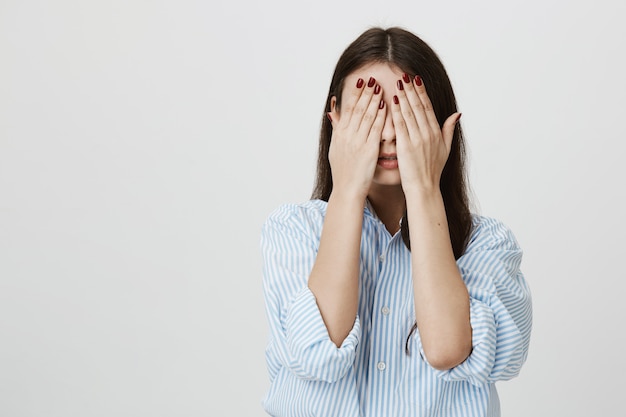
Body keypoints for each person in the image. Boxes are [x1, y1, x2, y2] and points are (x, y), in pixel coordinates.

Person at [260, 26, 532, 417]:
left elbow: (446, 350)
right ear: (334, 118)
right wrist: (348, 188)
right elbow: (317, 353)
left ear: (440, 122)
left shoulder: (488, 244)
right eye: (369, 112)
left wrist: (423, 188)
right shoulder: (293, 230)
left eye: (407, 112)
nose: (388, 132)